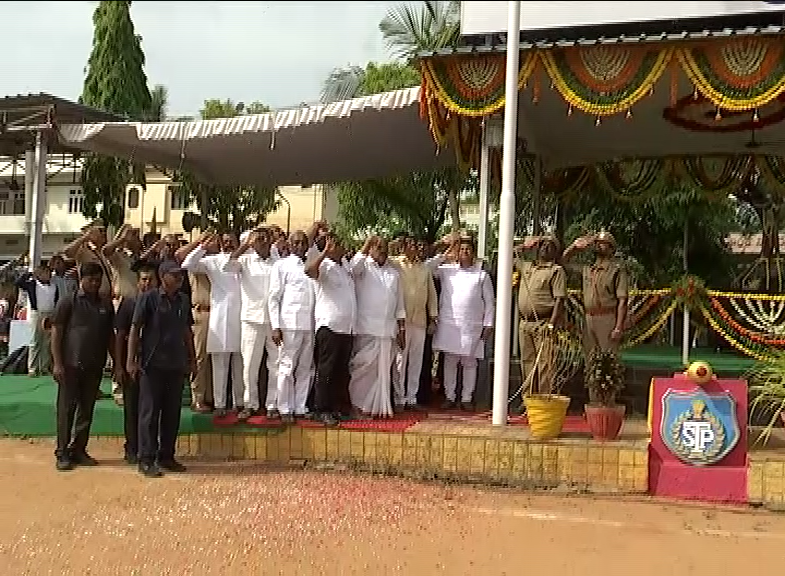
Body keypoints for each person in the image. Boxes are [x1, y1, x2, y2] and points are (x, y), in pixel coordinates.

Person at [127, 261, 197, 478]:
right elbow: (135, 328)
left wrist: (192, 358)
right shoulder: (149, 298)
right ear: (163, 276)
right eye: (175, 275)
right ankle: (146, 458)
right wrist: (131, 360)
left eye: (181, 275)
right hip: (152, 364)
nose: (179, 279)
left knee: (171, 413)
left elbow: (186, 329)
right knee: (149, 413)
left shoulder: (183, 300)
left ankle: (166, 455)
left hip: (175, 364)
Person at [50, 262, 116, 471]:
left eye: (98, 280)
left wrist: (117, 363)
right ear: (81, 279)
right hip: (70, 365)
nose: (95, 284)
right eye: (91, 280)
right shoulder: (68, 302)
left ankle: (79, 449)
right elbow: (56, 333)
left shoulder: (105, 304)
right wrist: (58, 363)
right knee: (66, 410)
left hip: (94, 365)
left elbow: (110, 337)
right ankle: (62, 452)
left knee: (86, 410)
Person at [181, 232, 243, 417]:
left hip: (241, 318)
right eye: (225, 242)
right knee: (219, 363)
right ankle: (220, 403)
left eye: (232, 241)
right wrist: (202, 247)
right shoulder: (213, 261)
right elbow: (187, 264)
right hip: (221, 319)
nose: (229, 244)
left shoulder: (245, 260)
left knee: (240, 364)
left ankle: (239, 403)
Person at [430, 237, 495, 410]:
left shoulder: (481, 275)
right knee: (450, 361)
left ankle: (466, 398)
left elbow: (489, 302)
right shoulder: (447, 271)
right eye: (462, 249)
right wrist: (447, 251)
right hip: (449, 323)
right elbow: (429, 268)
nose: (464, 252)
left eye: (468, 249)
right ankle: (450, 397)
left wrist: (489, 324)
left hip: (471, 326)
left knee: (469, 362)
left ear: (473, 253)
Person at [224, 228, 279, 420]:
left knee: (276, 364)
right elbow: (227, 266)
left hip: (274, 321)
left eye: (266, 238)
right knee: (249, 365)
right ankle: (250, 404)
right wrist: (245, 245)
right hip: (251, 319)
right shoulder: (245, 261)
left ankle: (272, 404)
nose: (263, 242)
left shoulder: (278, 264)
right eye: (259, 239)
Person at [348, 236, 406, 418]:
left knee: (381, 374)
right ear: (371, 249)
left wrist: (401, 329)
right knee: (362, 369)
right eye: (378, 247)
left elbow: (400, 304)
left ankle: (376, 408)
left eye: (384, 247)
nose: (382, 250)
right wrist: (366, 245)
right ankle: (357, 405)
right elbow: (352, 267)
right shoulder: (363, 267)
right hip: (366, 328)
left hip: (387, 330)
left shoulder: (393, 273)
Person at [305, 234, 356, 426]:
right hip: (329, 327)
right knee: (325, 371)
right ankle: (321, 409)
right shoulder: (324, 265)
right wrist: (325, 252)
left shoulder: (345, 266)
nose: (343, 247)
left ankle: (336, 407)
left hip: (346, 328)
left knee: (341, 371)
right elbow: (309, 271)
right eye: (339, 244)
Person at [268, 230, 315, 422]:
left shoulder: (312, 266)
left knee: (306, 367)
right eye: (296, 242)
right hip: (289, 323)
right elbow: (274, 297)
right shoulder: (281, 265)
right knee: (286, 366)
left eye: (303, 243)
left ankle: (300, 406)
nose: (300, 246)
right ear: (289, 244)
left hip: (309, 324)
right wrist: (275, 325)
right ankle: (284, 407)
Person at [114, 266, 157, 465]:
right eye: (143, 279)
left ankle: (148, 447)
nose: (146, 283)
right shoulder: (129, 303)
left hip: (153, 364)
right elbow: (120, 335)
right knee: (131, 408)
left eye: (150, 280)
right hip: (132, 363)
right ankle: (131, 448)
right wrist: (120, 365)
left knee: (150, 408)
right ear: (138, 281)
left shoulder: (159, 303)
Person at [513, 235, 567, 395]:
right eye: (542, 245)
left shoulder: (556, 271)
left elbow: (559, 300)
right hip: (525, 323)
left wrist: (552, 323)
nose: (545, 248)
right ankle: (528, 398)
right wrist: (525, 245)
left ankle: (544, 398)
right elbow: (507, 255)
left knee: (545, 363)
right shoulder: (527, 266)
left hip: (544, 323)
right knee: (527, 362)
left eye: (550, 245)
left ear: (555, 251)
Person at [562, 231, 629, 358]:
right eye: (597, 243)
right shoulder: (587, 269)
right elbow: (563, 262)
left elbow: (622, 300)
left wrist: (619, 327)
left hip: (607, 317)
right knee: (590, 360)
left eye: (604, 243)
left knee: (608, 361)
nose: (599, 245)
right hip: (588, 318)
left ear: (611, 249)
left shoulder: (616, 269)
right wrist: (575, 247)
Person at [392, 237, 438, 410]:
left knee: (416, 361)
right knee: (400, 361)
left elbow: (432, 295)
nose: (414, 248)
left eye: (415, 245)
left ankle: (412, 398)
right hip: (402, 321)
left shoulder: (424, 268)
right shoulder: (397, 264)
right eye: (411, 245)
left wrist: (433, 317)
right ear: (404, 247)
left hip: (419, 320)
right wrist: (394, 245)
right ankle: (399, 398)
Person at [16, 264, 59, 376]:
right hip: (37, 313)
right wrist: (29, 273)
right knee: (35, 341)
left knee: (47, 342)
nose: (48, 275)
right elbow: (19, 283)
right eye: (44, 273)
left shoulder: (54, 286)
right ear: (39, 275)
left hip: (49, 313)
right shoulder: (32, 284)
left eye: (49, 273)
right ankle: (32, 368)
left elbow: (56, 300)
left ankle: (44, 367)